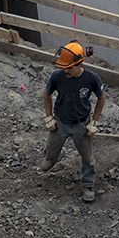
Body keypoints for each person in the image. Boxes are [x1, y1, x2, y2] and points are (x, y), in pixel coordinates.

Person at [43, 41, 106, 203]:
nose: (65, 70)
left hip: (80, 124)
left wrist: (94, 122)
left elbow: (101, 98)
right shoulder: (57, 77)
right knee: (50, 153)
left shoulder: (92, 79)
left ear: (79, 63)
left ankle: (88, 184)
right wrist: (49, 117)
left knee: (87, 157)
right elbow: (46, 94)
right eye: (63, 67)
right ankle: (53, 157)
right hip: (61, 122)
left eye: (69, 67)